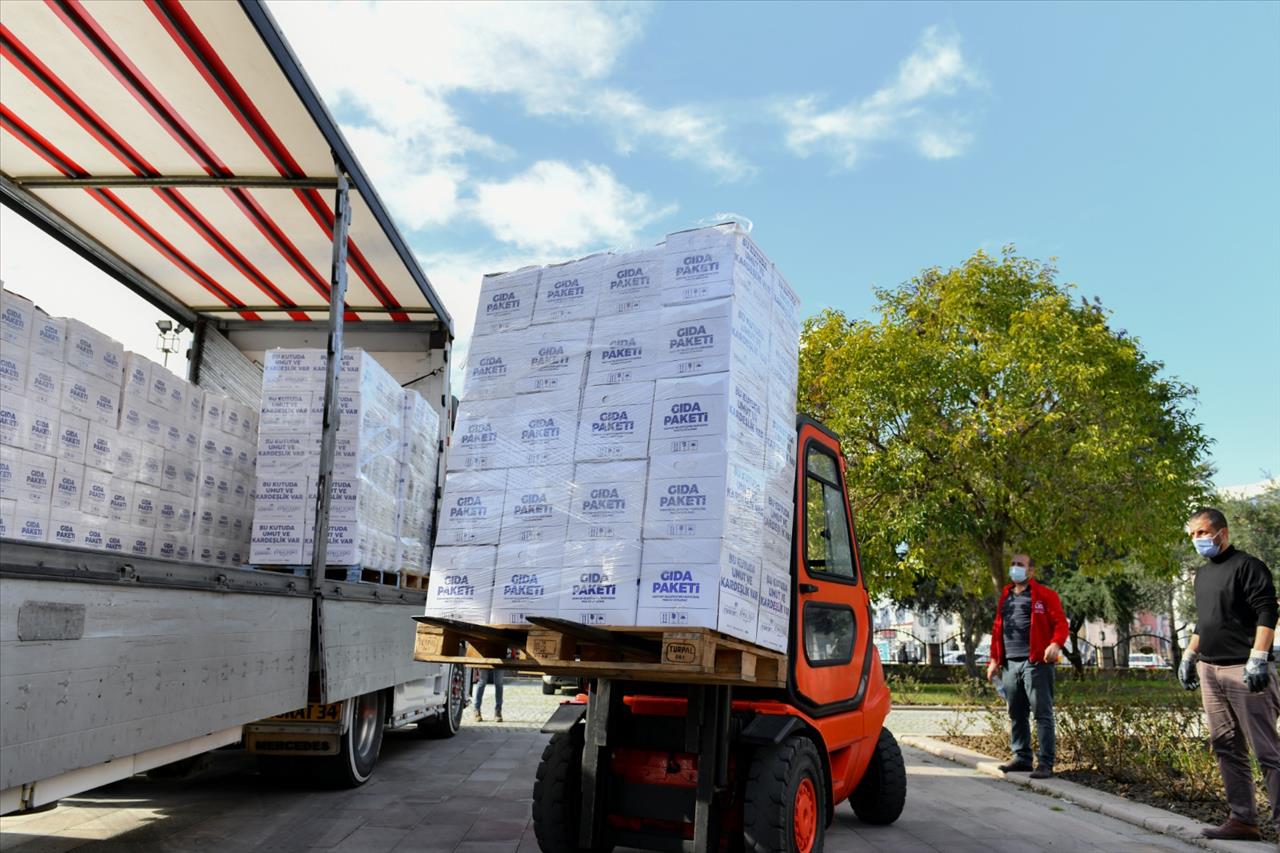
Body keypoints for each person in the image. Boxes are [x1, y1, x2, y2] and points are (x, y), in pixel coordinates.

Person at [1178, 507, 1279, 842]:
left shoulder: (1248, 567)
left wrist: (1259, 657)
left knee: (1266, 751)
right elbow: (1205, 621)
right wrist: (1190, 655)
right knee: (1225, 746)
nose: (1197, 540)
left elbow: (1267, 610)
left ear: (1222, 532)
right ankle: (1243, 820)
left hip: (1244, 669)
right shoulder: (1203, 575)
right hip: (1210, 669)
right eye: (1193, 535)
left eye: (1203, 533)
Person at [986, 552, 1069, 779]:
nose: (1015, 568)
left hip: (1036, 664)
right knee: (1016, 712)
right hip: (1010, 664)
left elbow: (1061, 624)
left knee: (1042, 713)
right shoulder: (1006, 596)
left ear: (1031, 570)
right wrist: (994, 660)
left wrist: (1055, 644)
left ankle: (1045, 763)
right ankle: (1022, 758)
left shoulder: (1045, 595)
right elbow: (997, 630)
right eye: (1012, 564)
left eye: (1020, 565)